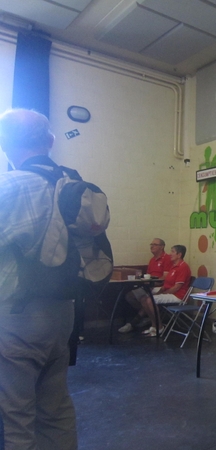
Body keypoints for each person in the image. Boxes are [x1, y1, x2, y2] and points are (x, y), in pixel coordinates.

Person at [0, 109, 78, 448]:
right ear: (49, 141)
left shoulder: (8, 186)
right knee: (56, 408)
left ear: (4, 143)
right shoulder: (70, 185)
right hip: (62, 314)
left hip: (16, 317)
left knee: (15, 416)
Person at [118, 238, 172, 333]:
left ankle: (135, 322)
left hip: (159, 287)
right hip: (149, 286)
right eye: (151, 244)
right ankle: (148, 315)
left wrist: (152, 283)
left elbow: (164, 278)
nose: (152, 246)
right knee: (129, 296)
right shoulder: (152, 260)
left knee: (145, 299)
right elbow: (148, 275)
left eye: (155, 244)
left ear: (162, 247)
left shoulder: (167, 258)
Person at [139, 244, 191, 337]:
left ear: (179, 255)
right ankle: (154, 325)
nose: (170, 254)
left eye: (173, 252)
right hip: (170, 292)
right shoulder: (173, 266)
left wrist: (162, 293)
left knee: (150, 300)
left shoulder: (183, 267)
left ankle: (159, 327)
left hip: (178, 296)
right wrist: (159, 292)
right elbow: (166, 285)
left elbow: (177, 287)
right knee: (143, 299)